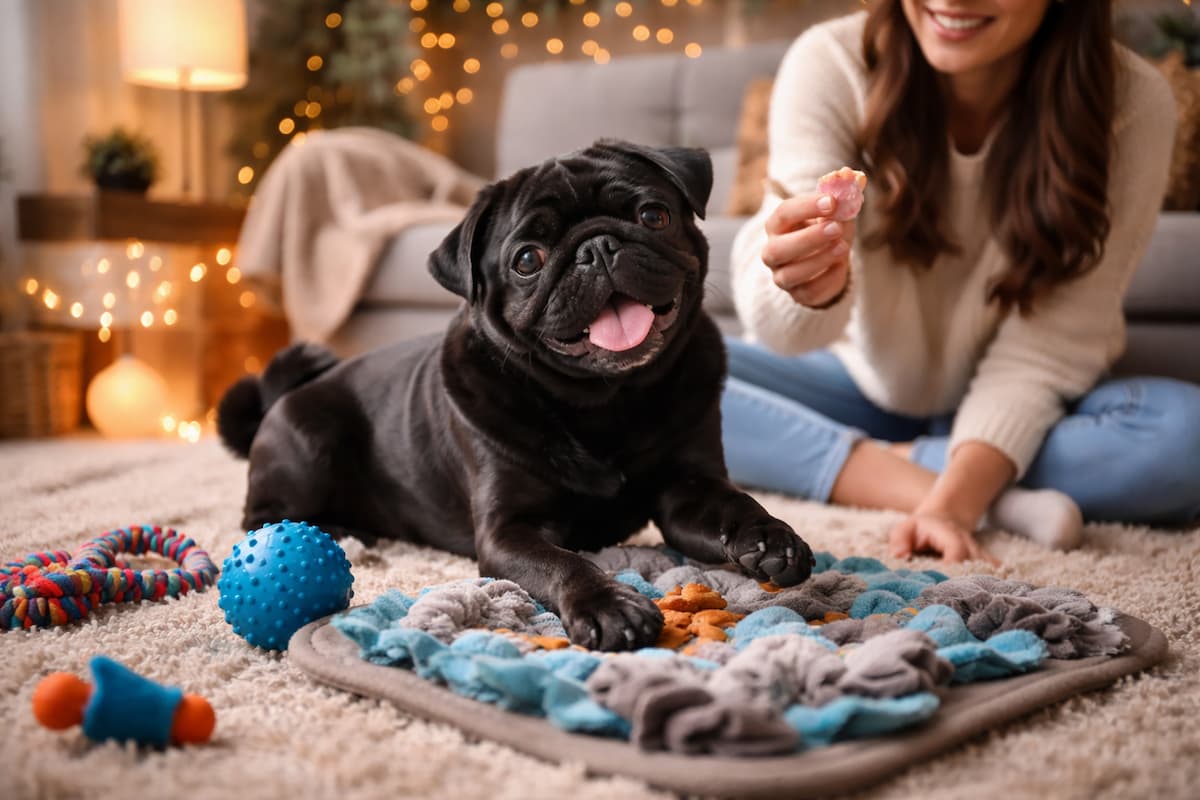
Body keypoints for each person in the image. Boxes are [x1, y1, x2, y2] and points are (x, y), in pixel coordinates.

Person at [722, 0, 1200, 564]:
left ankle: (871, 460)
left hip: (1019, 403)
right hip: (851, 376)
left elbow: (1048, 350)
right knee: (636, 378)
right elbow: (787, 334)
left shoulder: (1132, 104)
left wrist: (956, 504)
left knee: (1186, 439)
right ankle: (929, 483)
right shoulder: (831, 60)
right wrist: (806, 286)